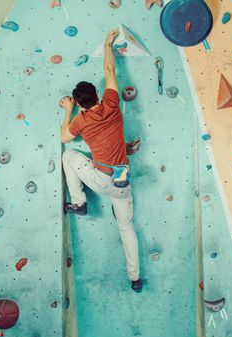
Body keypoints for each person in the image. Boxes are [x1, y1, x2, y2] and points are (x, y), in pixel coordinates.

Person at [59, 29, 142, 293]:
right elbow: (109, 68)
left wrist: (68, 110)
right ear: (96, 94)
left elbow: (64, 138)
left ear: (82, 105)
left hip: (102, 179)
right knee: (127, 228)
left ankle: (79, 203)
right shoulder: (112, 102)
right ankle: (135, 279)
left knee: (69, 156)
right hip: (122, 180)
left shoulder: (81, 119)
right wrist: (107, 42)